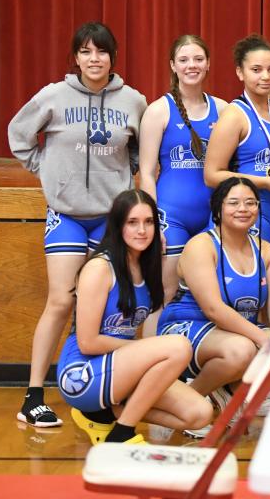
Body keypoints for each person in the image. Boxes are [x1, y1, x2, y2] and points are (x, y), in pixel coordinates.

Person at [8, 21, 147, 428]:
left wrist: (125, 180)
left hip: (110, 218)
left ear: (113, 57)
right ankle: (33, 395)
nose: (94, 59)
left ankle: (102, 389)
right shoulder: (53, 95)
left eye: (101, 51)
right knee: (61, 301)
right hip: (67, 215)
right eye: (85, 52)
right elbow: (19, 135)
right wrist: (47, 171)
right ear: (75, 58)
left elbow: (140, 150)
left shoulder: (133, 101)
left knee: (107, 308)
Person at [58, 189, 212, 444]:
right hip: (82, 373)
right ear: (118, 226)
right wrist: (147, 350)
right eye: (132, 222)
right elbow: (88, 342)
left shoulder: (145, 267)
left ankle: (107, 413)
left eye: (149, 222)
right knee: (178, 347)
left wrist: (146, 355)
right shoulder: (99, 268)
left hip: (118, 369)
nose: (142, 230)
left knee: (200, 414)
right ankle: (122, 433)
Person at [158, 178, 270, 435]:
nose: (243, 209)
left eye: (250, 203)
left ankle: (228, 391)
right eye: (233, 203)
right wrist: (264, 341)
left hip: (236, 333)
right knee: (240, 351)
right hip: (188, 327)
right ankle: (189, 399)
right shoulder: (201, 245)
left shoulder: (265, 250)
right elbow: (213, 309)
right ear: (218, 209)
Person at [204, 35, 270, 310]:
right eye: (256, 70)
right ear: (240, 72)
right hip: (246, 218)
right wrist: (266, 183)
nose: (266, 76)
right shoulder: (234, 116)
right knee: (251, 303)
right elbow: (212, 175)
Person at [139, 35, 228, 322]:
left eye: (198, 59)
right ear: (173, 66)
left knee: (211, 295)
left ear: (208, 64)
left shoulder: (224, 110)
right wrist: (152, 223)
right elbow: (147, 173)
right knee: (164, 293)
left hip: (211, 217)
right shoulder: (158, 111)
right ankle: (154, 362)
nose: (192, 65)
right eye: (184, 60)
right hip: (171, 217)